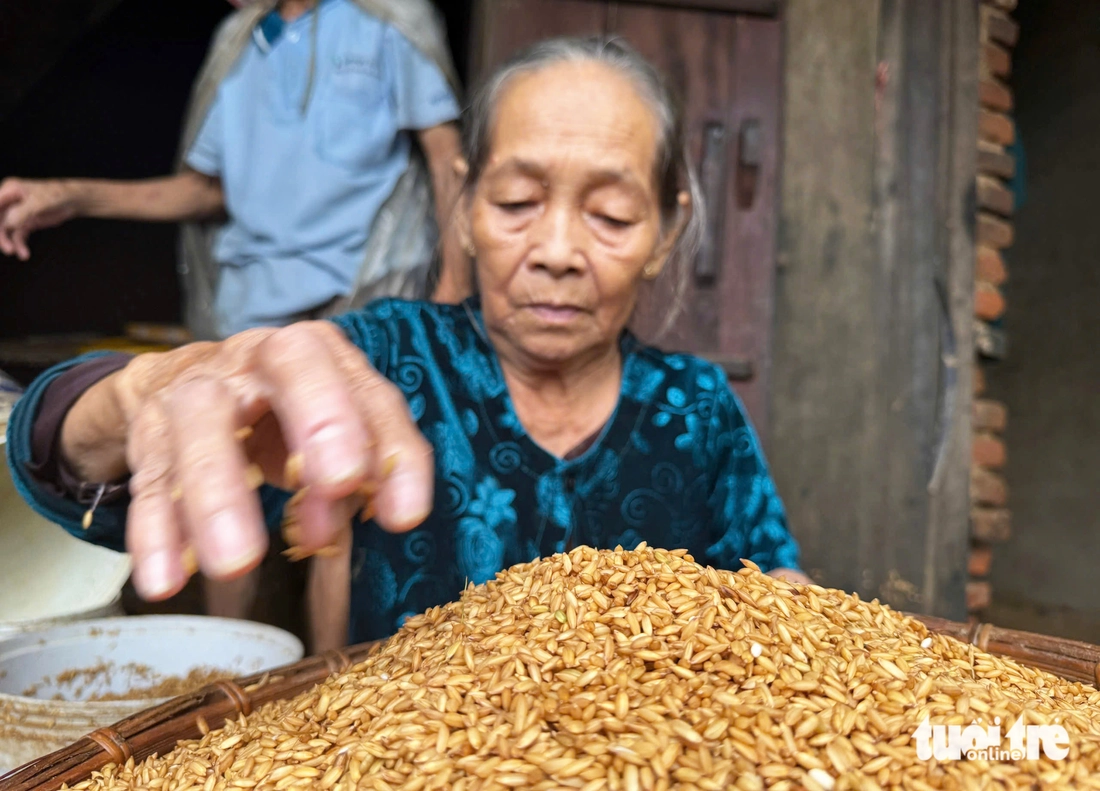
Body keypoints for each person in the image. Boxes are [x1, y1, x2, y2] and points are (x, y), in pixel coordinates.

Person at [6, 37, 808, 654]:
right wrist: (116, 405)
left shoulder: (698, 409)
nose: (558, 249)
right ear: (462, 207)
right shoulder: (383, 362)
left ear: (665, 233)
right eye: (518, 200)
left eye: (611, 216)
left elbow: (777, 593)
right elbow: (80, 469)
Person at [0, 0, 471, 337]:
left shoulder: (390, 19)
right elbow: (206, 191)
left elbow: (446, 160)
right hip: (250, 312)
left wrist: (453, 288)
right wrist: (69, 196)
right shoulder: (239, 41)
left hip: (362, 305)